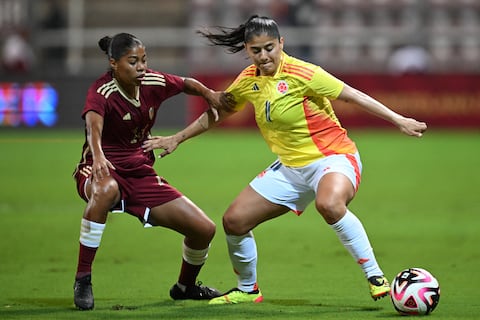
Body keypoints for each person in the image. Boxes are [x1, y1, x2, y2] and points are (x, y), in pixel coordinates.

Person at [142, 15, 427, 305]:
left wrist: (398, 119)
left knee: (328, 204)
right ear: (247, 50)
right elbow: (218, 113)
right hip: (291, 169)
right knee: (234, 221)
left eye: (269, 48)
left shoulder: (303, 73)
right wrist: (177, 137)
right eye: (256, 50)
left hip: (333, 158)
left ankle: (375, 275)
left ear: (281, 43)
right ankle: (248, 288)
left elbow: (352, 95)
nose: (264, 56)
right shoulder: (248, 80)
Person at [72, 32, 227, 310]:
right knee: (105, 190)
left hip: (140, 172)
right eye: (133, 62)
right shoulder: (102, 91)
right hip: (103, 167)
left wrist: (209, 94)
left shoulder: (153, 81)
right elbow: (93, 127)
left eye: (144, 60)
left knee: (204, 229)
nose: (141, 67)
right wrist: (97, 157)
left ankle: (185, 287)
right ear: (113, 63)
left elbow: (186, 83)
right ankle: (83, 278)